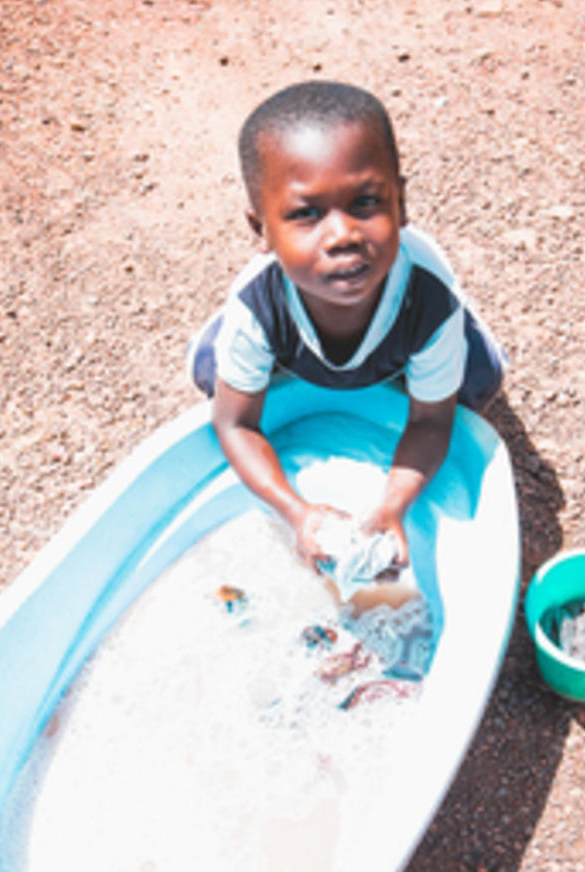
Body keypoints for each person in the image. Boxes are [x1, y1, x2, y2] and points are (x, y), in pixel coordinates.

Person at [187, 80, 507, 573]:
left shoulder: (427, 302)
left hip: (407, 335)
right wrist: (295, 510)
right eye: (306, 214)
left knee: (475, 382)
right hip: (284, 334)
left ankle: (395, 369)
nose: (343, 236)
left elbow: (429, 422)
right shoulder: (259, 306)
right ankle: (312, 366)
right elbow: (235, 423)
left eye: (365, 203)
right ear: (262, 232)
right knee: (214, 373)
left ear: (401, 204)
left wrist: (392, 506)